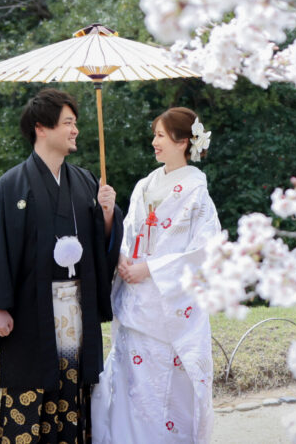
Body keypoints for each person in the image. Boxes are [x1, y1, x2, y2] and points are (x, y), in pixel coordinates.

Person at [0, 88, 124, 444]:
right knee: (30, 390)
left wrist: (108, 215)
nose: (75, 130)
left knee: (72, 391)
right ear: (41, 128)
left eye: (75, 123)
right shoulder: (10, 186)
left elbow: (100, 245)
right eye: (68, 123)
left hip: (75, 309)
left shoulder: (86, 181)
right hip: (31, 311)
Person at [92, 107, 220, 443]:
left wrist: (149, 268)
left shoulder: (196, 192)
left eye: (161, 135)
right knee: (131, 381)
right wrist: (122, 256)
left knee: (164, 386)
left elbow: (204, 251)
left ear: (183, 142)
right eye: (155, 135)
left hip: (168, 306)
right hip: (136, 300)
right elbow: (129, 229)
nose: (154, 142)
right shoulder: (145, 185)